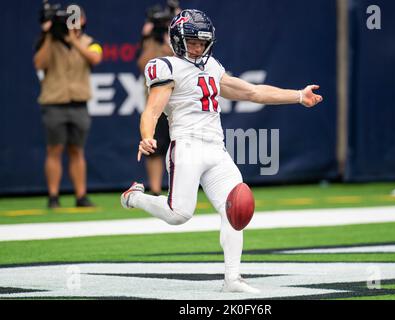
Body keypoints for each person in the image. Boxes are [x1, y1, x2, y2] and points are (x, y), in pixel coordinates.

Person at [120, 9, 323, 293]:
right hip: (187, 145)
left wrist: (298, 96)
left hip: (216, 148)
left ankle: (232, 279)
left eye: (202, 42)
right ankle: (135, 198)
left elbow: (252, 92)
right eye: (191, 41)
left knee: (235, 208)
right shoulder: (166, 67)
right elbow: (152, 109)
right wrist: (147, 136)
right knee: (179, 214)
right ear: (177, 40)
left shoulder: (212, 67)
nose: (197, 47)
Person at [34, 5, 102, 208]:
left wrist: (73, 39)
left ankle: (81, 195)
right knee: (54, 150)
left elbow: (95, 58)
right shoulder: (47, 42)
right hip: (54, 103)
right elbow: (39, 63)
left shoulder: (90, 42)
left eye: (77, 17)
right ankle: (53, 196)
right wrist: (48, 34)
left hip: (79, 104)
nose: (74, 21)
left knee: (77, 150)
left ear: (83, 20)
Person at [136, 3, 179, 195]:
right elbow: (143, 64)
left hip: (179, 102)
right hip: (159, 102)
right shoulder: (150, 40)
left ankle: (178, 188)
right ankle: (155, 189)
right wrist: (149, 38)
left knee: (180, 147)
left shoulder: (179, 37)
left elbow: (184, 59)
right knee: (155, 146)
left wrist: (170, 38)